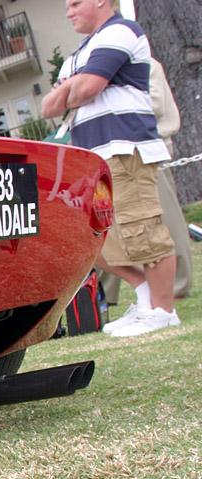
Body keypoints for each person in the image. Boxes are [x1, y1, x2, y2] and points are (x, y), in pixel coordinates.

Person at [42, 0, 179, 337]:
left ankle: (163, 310)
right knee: (90, 237)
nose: (68, 11)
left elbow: (87, 89)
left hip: (124, 148)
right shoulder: (80, 53)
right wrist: (78, 85)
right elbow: (48, 107)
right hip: (93, 157)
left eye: (75, 3)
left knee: (142, 227)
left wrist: (73, 87)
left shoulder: (120, 31)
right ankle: (145, 296)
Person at [99, 57, 193, 303]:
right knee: (106, 225)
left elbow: (154, 105)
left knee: (164, 219)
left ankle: (177, 286)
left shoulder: (144, 64)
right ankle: (105, 294)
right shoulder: (101, 69)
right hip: (111, 152)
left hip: (145, 149)